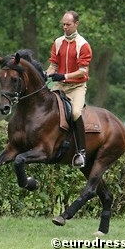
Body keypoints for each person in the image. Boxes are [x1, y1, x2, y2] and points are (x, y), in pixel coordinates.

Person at [47, 10, 92, 168]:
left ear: (76, 24)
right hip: (60, 85)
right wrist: (45, 75)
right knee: (45, 106)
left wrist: (64, 76)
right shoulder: (58, 42)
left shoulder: (83, 45)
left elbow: (82, 72)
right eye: (63, 24)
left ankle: (81, 152)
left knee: (74, 113)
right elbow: (53, 65)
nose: (65, 27)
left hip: (77, 86)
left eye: (68, 25)